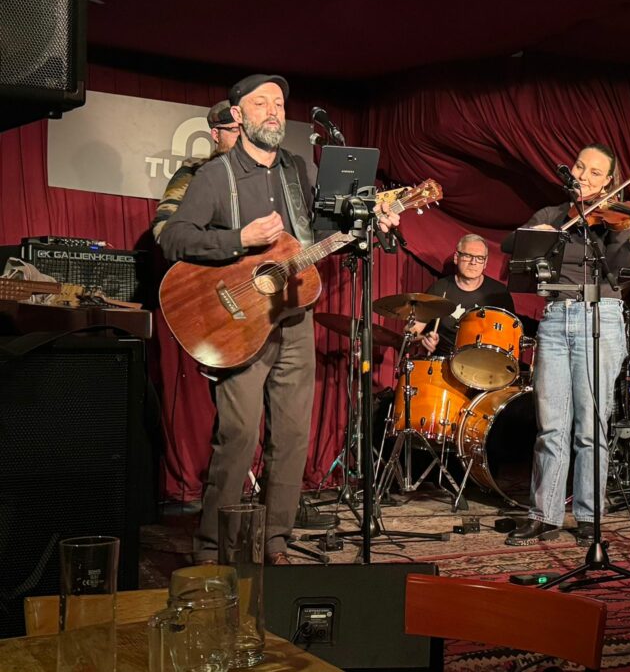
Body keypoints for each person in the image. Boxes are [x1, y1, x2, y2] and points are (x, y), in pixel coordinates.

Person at [160, 74, 398, 565]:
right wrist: (238, 240)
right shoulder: (217, 175)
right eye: (261, 103)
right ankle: (214, 548)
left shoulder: (297, 170)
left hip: (294, 316)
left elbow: (320, 239)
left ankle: (275, 541)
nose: (273, 110)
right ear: (238, 115)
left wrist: (371, 222)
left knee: (291, 436)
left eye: (279, 103)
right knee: (238, 435)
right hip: (239, 321)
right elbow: (174, 237)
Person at [501, 144, 630, 546]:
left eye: (595, 172)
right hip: (556, 317)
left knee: (591, 426)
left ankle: (590, 516)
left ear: (609, 182)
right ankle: (545, 514)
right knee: (551, 426)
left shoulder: (612, 220)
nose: (584, 176)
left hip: (600, 315)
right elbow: (509, 245)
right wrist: (534, 237)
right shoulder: (553, 215)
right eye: (580, 167)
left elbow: (615, 270)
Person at [413, 233, 515, 357]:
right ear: (457, 257)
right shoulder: (439, 289)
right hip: (443, 362)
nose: (473, 262)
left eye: (479, 258)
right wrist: (423, 339)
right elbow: (411, 330)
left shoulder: (499, 293)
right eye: (468, 256)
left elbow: (512, 336)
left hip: (484, 363)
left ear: (485, 262)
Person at [151, 100, 240, 242]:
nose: (242, 137)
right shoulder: (194, 171)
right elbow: (164, 229)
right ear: (216, 135)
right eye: (235, 130)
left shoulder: (262, 174)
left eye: (246, 130)